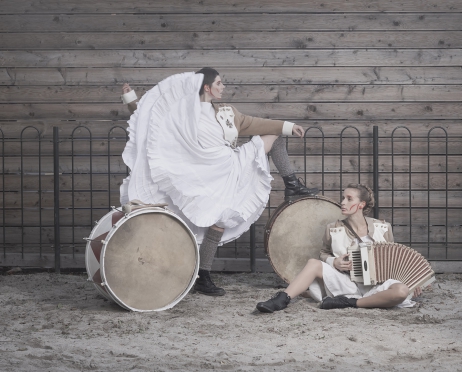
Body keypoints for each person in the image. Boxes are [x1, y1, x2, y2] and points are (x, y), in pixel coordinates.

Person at [119, 68, 319, 297]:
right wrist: (131, 100)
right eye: (219, 83)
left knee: (222, 216)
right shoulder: (183, 112)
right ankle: (196, 274)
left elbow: (252, 123)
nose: (223, 87)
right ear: (207, 87)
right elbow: (151, 119)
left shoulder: (226, 111)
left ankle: (203, 275)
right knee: (212, 217)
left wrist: (287, 125)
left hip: (227, 167)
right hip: (202, 172)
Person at [256, 183, 423, 313]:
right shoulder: (333, 228)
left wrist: (411, 284)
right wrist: (333, 261)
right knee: (314, 263)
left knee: (401, 291)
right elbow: (323, 253)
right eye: (343, 198)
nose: (343, 202)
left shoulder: (383, 228)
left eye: (349, 199)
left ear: (361, 204)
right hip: (347, 283)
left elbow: (395, 260)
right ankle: (281, 299)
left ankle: (351, 303)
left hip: (377, 287)